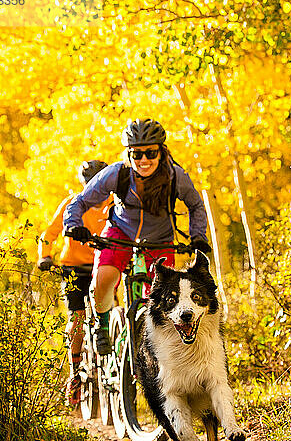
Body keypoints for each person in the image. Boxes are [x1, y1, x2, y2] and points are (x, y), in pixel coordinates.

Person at [63, 118, 211, 357]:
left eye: (150, 153)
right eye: (137, 154)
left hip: (160, 239)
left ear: (161, 153)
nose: (143, 160)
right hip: (119, 233)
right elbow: (80, 201)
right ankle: (101, 323)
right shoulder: (117, 173)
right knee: (104, 277)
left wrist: (198, 236)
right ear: (129, 154)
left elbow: (195, 205)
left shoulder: (175, 176)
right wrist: (74, 225)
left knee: (163, 300)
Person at [37, 159, 109, 405]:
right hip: (74, 268)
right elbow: (49, 234)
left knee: (107, 310)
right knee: (77, 318)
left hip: (104, 264)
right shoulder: (72, 203)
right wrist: (44, 256)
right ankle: (75, 372)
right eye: (91, 185)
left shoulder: (114, 204)